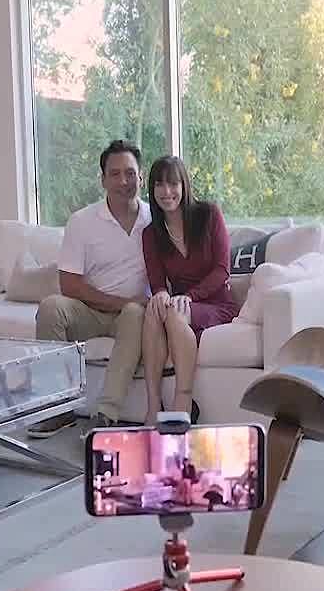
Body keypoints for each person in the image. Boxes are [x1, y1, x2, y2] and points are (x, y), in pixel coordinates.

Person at [31, 140, 151, 438]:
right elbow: (69, 284)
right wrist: (118, 302)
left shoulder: (154, 219)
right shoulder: (82, 221)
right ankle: (57, 410)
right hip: (89, 311)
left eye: (130, 173)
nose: (123, 181)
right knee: (51, 307)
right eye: (115, 174)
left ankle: (106, 415)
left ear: (141, 177)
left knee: (135, 312)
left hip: (132, 316)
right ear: (103, 180)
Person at [139, 155, 238, 424]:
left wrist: (190, 296)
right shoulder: (151, 233)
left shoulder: (209, 215)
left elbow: (222, 270)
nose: (166, 191)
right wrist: (160, 293)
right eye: (159, 184)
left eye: (173, 183)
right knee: (154, 309)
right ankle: (153, 406)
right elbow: (157, 281)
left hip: (216, 302)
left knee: (173, 312)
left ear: (184, 185)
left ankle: (182, 402)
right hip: (180, 305)